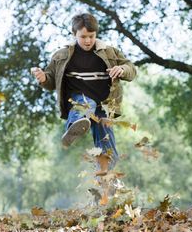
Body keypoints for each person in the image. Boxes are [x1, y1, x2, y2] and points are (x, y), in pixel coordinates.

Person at [32, 13, 137, 171]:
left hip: (104, 107)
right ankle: (75, 125)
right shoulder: (62, 56)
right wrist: (43, 79)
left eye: (91, 36)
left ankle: (102, 182)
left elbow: (132, 69)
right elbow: (51, 80)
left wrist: (122, 69)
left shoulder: (109, 52)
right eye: (83, 37)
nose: (88, 41)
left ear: (96, 34)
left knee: (109, 151)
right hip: (80, 99)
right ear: (74, 35)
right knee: (87, 104)